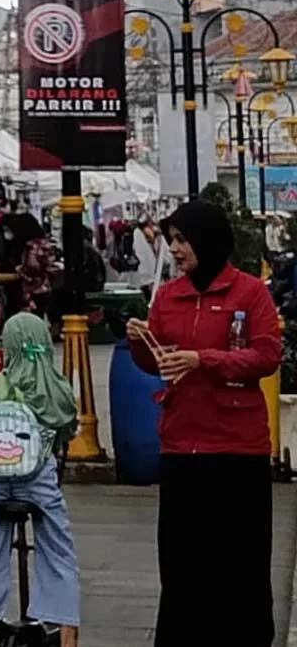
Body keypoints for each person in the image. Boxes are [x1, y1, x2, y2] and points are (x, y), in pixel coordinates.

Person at [126, 200, 281, 647]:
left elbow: (267, 355)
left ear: (208, 240)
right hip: (181, 445)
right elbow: (156, 362)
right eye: (172, 240)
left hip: (236, 448)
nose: (175, 249)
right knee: (181, 558)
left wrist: (204, 359)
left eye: (182, 239)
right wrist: (140, 340)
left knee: (239, 556)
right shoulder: (169, 297)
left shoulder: (249, 292)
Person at [0, 313, 80, 647]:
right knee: (59, 553)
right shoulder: (56, 388)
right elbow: (67, 428)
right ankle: (68, 636)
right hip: (38, 482)